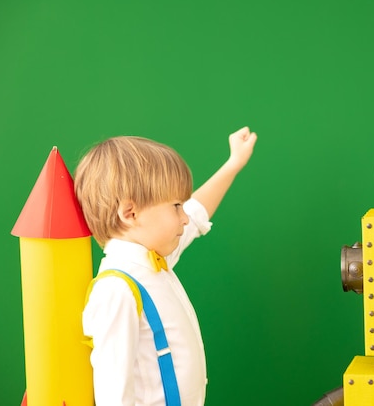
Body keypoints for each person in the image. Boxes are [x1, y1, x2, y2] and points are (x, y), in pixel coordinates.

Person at [74, 126, 257, 406]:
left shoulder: (153, 263)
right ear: (130, 213)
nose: (184, 218)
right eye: (175, 206)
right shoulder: (117, 289)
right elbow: (114, 396)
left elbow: (196, 215)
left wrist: (233, 164)